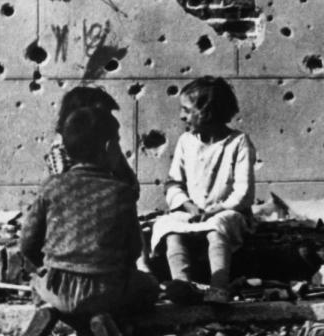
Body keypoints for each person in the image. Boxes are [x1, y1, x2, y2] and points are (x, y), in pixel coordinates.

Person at [20, 88, 158, 326]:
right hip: (106, 290)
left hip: (57, 287)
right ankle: (103, 319)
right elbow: (133, 249)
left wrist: (47, 266)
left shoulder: (52, 185)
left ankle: (52, 310)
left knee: (38, 283)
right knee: (150, 287)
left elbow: (28, 242)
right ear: (107, 147)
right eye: (118, 142)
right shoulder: (120, 192)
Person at [151, 76, 256, 305]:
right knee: (167, 226)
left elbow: (243, 192)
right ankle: (183, 283)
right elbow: (173, 183)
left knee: (218, 227)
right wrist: (188, 205)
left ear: (208, 112)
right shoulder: (186, 141)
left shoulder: (238, 142)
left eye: (187, 111)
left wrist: (217, 209)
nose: (181, 117)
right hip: (193, 211)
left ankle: (219, 287)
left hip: (227, 212)